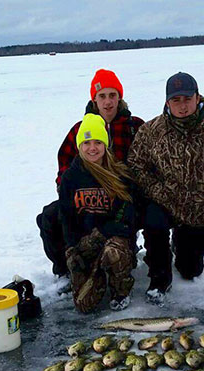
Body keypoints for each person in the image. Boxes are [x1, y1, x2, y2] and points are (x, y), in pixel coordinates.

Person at [128, 72, 204, 305]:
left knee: (191, 270)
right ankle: (159, 278)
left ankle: (180, 246)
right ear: (167, 102)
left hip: (196, 211)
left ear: (197, 97)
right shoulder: (152, 131)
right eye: (176, 100)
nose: (182, 106)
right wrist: (159, 191)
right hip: (163, 204)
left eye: (187, 99)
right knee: (153, 220)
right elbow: (135, 165)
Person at [37, 69, 143, 282]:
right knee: (49, 216)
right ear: (94, 99)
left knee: (153, 216)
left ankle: (135, 261)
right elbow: (64, 169)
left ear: (119, 97)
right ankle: (66, 271)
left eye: (112, 95)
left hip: (126, 199)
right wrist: (75, 197)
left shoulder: (135, 127)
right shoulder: (80, 130)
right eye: (102, 96)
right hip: (88, 200)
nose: (107, 102)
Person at [59, 113, 136, 313]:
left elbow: (129, 211)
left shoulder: (119, 173)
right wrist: (74, 246)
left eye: (97, 142)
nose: (92, 148)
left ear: (105, 145)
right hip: (85, 241)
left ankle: (121, 290)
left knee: (113, 252)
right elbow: (66, 216)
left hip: (113, 239)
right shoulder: (70, 177)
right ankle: (97, 276)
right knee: (84, 306)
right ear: (79, 146)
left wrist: (110, 228)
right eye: (86, 143)